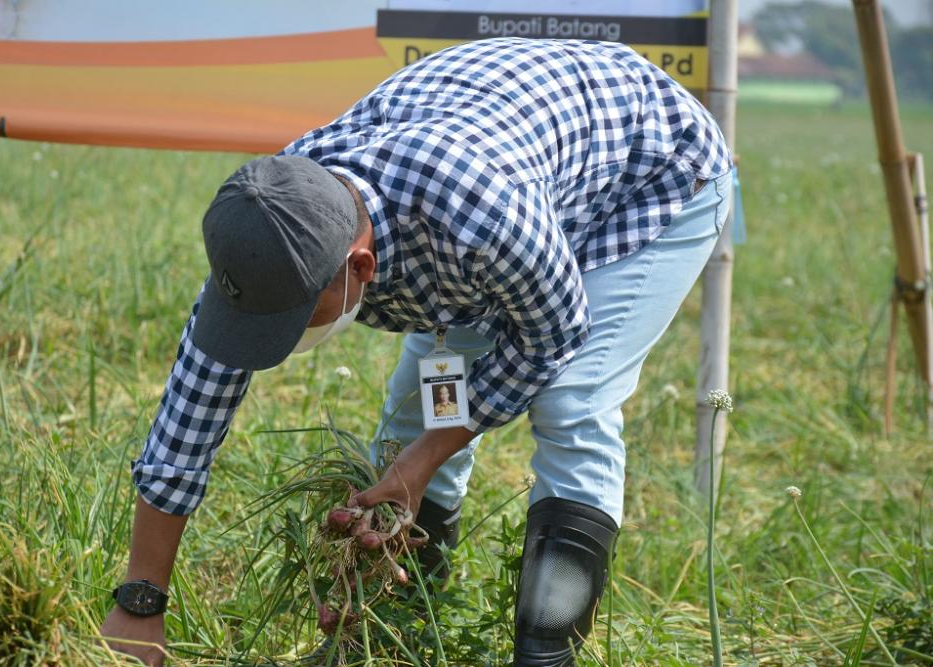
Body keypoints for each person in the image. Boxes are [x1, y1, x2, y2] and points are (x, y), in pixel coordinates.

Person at [100, 36, 732, 666]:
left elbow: (555, 333)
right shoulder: (273, 224)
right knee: (410, 422)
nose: (282, 337)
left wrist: (427, 458)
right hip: (502, 178)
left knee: (572, 402)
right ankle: (392, 640)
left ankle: (546, 655)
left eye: (294, 320)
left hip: (653, 168)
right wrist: (140, 600)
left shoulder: (482, 219)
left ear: (360, 265)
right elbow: (192, 412)